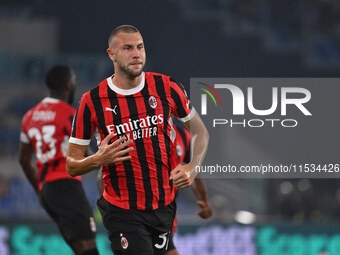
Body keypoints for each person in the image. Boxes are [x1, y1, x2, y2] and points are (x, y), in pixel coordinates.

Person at [66, 25, 209, 255]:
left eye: (140, 47)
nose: (136, 53)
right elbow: (72, 165)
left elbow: (200, 131)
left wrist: (192, 167)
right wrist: (97, 158)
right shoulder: (92, 101)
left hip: (163, 207)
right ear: (111, 54)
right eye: (128, 48)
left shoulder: (167, 87)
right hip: (121, 210)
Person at [19, 65, 99, 255]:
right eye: (73, 82)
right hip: (66, 185)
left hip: (47, 189)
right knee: (88, 247)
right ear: (68, 86)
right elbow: (87, 155)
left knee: (81, 248)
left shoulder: (29, 116)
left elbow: (23, 160)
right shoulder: (70, 115)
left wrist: (39, 189)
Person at [166, 124, 212, 255]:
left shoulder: (184, 136)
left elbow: (194, 175)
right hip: (140, 209)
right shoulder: (143, 132)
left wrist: (204, 202)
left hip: (167, 211)